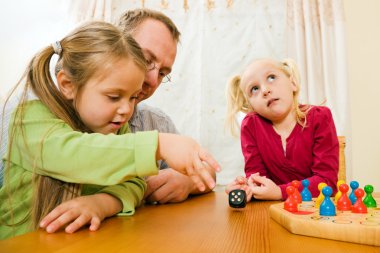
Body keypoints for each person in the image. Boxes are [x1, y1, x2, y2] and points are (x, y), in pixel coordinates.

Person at [0, 21, 220, 239]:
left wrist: (102, 203)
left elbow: (135, 183)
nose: (126, 109)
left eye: (133, 97)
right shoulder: (28, 118)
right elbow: (76, 155)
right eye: (114, 97)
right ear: (68, 85)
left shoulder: (116, 125)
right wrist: (158, 145)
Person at [117, 9, 216, 204]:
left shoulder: (155, 121)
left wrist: (187, 181)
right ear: (114, 44)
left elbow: (209, 170)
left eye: (163, 72)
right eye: (146, 60)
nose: (153, 81)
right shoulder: (63, 117)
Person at [225, 58, 338, 201]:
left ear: (293, 83)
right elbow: (258, 179)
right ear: (251, 106)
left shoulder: (320, 117)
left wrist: (280, 192)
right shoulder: (251, 126)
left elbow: (327, 182)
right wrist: (246, 188)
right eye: (254, 89)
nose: (265, 90)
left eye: (271, 78)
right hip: (273, 211)